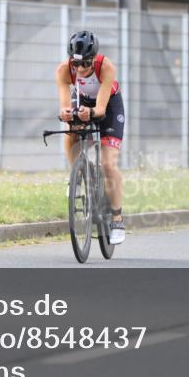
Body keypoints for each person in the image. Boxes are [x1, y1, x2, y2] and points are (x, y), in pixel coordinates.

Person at [55, 30, 126, 245]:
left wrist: (92, 113)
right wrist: (68, 113)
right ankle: (77, 176)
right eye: (76, 64)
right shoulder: (63, 71)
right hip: (83, 101)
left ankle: (117, 219)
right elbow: (66, 104)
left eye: (86, 63)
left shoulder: (106, 67)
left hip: (109, 106)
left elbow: (102, 109)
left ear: (93, 59)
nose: (81, 69)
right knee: (71, 131)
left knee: (107, 163)